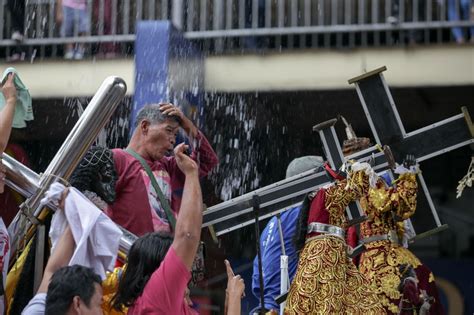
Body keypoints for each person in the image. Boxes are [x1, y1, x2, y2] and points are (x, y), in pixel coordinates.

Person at [111, 143, 203, 314]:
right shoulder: (157, 295)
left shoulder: (162, 300)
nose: (170, 141)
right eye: (168, 130)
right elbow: (186, 236)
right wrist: (191, 173)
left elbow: (208, 159)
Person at [284, 161, 384, 314]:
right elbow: (356, 189)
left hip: (316, 251)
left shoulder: (315, 196)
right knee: (331, 297)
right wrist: (362, 169)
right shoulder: (328, 191)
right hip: (328, 251)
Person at [107, 103, 218, 237]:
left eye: (176, 134)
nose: (173, 140)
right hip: (131, 253)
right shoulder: (118, 159)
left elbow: (207, 160)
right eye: (169, 130)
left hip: (164, 255)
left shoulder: (168, 166)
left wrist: (187, 125)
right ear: (145, 127)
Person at [357, 157, 445, 314]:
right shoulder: (369, 186)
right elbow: (401, 205)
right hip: (383, 255)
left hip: (369, 257)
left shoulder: (355, 186)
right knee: (423, 278)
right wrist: (407, 175)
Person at [250, 156, 324, 313]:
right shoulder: (305, 213)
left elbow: (257, 278)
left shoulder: (272, 223)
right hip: (287, 305)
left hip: (266, 307)